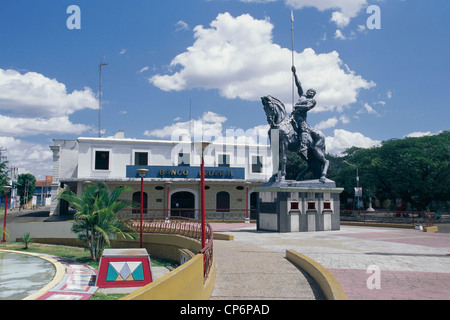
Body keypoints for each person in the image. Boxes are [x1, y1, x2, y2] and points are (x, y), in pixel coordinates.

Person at [291, 66, 317, 160]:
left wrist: (298, 106)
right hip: (293, 115)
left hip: (301, 117)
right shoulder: (302, 96)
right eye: (310, 91)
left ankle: (303, 146)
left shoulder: (312, 101)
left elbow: (307, 107)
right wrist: (295, 73)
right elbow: (298, 84)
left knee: (302, 128)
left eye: (313, 92)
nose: (311, 92)